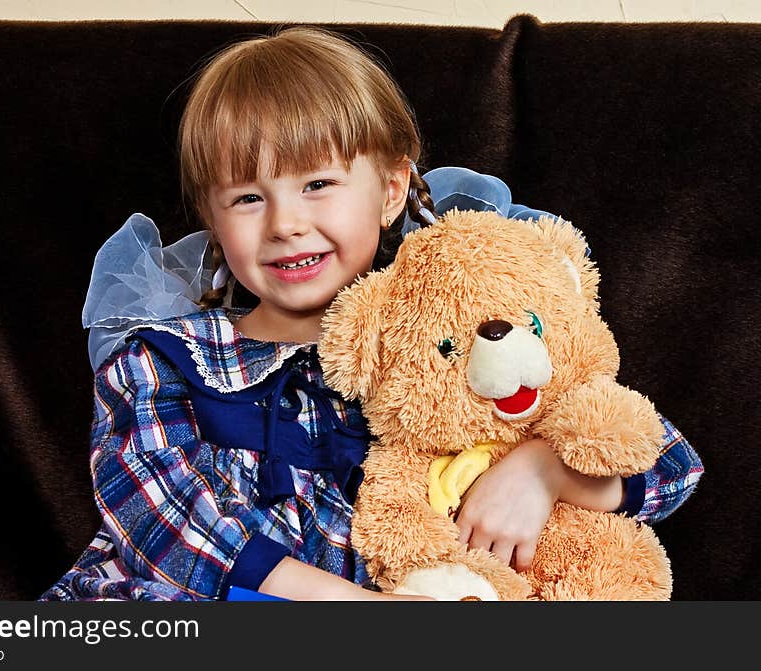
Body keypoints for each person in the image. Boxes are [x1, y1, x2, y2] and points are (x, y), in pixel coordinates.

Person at [40, 25, 702, 602]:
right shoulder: (164, 358)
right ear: (213, 220)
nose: (286, 224)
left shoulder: (445, 349)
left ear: (389, 191)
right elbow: (159, 515)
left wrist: (540, 468)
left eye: (317, 184)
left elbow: (668, 462)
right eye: (246, 197)